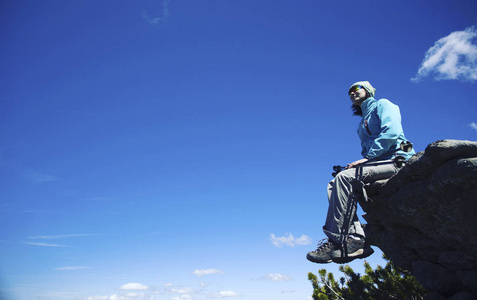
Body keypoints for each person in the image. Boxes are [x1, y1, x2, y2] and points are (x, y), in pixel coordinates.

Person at [306, 81, 415, 264]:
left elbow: (392, 133)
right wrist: (361, 163)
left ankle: (339, 240)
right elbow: (367, 153)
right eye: (349, 91)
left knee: (344, 179)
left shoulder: (384, 105)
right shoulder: (361, 124)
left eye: (356, 88)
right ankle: (355, 236)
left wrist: (368, 158)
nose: (352, 92)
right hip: (380, 162)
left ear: (368, 91)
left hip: (397, 159)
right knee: (334, 184)